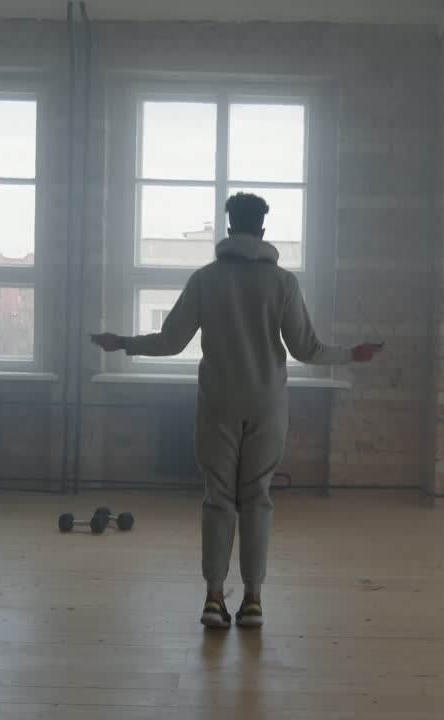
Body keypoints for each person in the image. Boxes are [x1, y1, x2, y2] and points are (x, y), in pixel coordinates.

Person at [92, 192, 382, 629]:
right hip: (266, 404)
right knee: (257, 500)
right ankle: (252, 602)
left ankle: (212, 598)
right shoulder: (283, 283)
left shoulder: (206, 279)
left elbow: (171, 343)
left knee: (218, 501)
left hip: (218, 405)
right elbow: (306, 349)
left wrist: (124, 343)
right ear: (263, 231)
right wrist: (351, 355)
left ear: (228, 229)